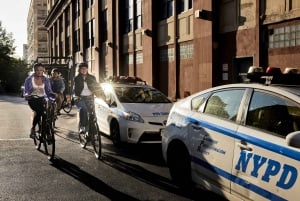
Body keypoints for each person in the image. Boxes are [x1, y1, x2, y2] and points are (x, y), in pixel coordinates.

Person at [23, 63, 55, 138]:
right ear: (34, 70)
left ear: (43, 70)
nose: (39, 71)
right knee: (39, 113)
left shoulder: (46, 79)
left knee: (46, 114)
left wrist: (53, 97)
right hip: (32, 100)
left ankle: (46, 131)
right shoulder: (29, 79)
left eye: (41, 70)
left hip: (42, 99)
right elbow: (26, 91)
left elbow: (48, 91)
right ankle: (33, 129)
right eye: (37, 70)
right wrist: (27, 95)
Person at [73, 62, 102, 134]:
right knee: (84, 109)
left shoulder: (92, 77)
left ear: (87, 69)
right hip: (80, 98)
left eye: (85, 68)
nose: (84, 70)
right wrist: (75, 96)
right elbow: (75, 89)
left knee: (92, 114)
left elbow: (97, 87)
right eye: (82, 68)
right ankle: (82, 127)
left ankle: (93, 130)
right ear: (79, 70)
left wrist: (102, 96)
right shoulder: (77, 78)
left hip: (90, 98)